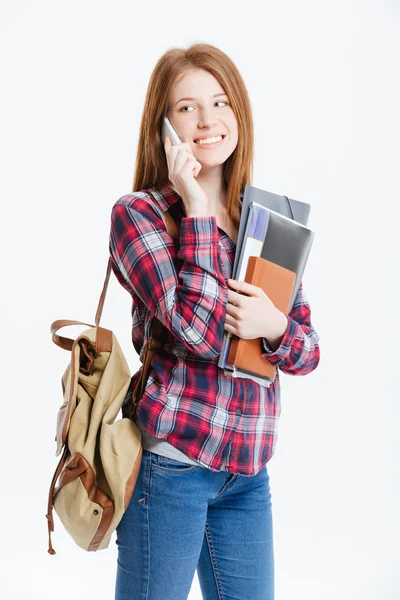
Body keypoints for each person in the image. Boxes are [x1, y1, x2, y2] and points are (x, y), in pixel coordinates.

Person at [109, 42, 320, 600]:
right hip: (172, 472)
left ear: (239, 114)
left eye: (220, 102)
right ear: (165, 126)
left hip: (249, 475)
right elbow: (199, 331)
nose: (207, 121)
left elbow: (307, 351)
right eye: (187, 108)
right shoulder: (141, 215)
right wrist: (198, 208)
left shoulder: (270, 219)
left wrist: (271, 324)